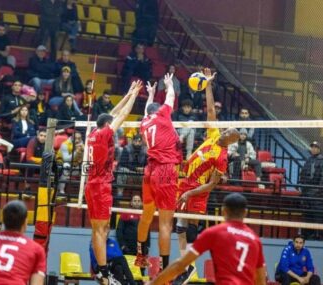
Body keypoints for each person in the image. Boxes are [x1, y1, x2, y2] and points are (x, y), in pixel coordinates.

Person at [172, 69, 240, 285]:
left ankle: (192, 265)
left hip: (198, 193)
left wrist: (191, 193)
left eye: (227, 132)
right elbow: (210, 110)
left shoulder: (221, 157)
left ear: (231, 141)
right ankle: (187, 266)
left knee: (191, 230)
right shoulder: (212, 135)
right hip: (185, 185)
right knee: (179, 229)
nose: (223, 131)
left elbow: (212, 184)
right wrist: (208, 84)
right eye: (224, 129)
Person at [86, 81, 141, 285]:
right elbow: (122, 116)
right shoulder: (104, 134)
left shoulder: (93, 133)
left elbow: (113, 112)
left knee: (99, 229)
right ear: (107, 126)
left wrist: (127, 93)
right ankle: (102, 272)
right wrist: (135, 95)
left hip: (92, 185)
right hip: (101, 186)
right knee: (101, 231)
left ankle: (102, 270)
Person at [149, 193, 266, 285]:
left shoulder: (215, 232)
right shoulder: (255, 240)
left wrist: (154, 283)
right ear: (245, 213)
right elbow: (260, 280)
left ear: (223, 211)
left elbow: (180, 264)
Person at [135, 74, 181, 271]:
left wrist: (151, 94)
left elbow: (147, 110)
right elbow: (170, 97)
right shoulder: (163, 114)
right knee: (165, 224)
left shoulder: (144, 123)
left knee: (146, 216)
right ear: (159, 110)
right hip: (165, 170)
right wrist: (169, 85)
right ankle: (164, 270)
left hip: (150, 170)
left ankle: (141, 256)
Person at [299, 141, 323, 240]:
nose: (314, 149)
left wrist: (318, 190)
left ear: (319, 149)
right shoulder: (309, 160)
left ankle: (317, 235)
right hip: (307, 192)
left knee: (317, 214)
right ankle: (308, 234)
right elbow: (303, 174)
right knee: (307, 214)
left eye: (316, 147)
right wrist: (302, 187)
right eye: (312, 147)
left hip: (316, 193)